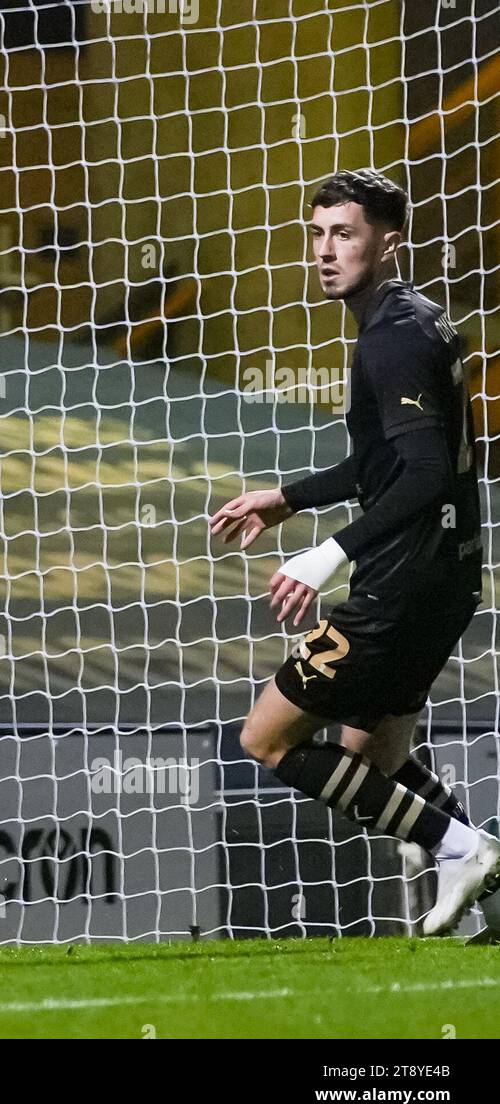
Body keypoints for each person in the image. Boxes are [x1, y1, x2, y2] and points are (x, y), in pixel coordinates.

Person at [210, 169, 500, 938]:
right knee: (370, 751)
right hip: (448, 576)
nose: (325, 250)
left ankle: (460, 845)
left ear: (388, 241)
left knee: (266, 737)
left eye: (344, 233)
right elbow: (382, 463)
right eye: (317, 233)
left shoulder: (392, 339)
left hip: (401, 581)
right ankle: (494, 893)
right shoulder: (411, 320)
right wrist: (290, 499)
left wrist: (323, 556)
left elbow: (427, 472)